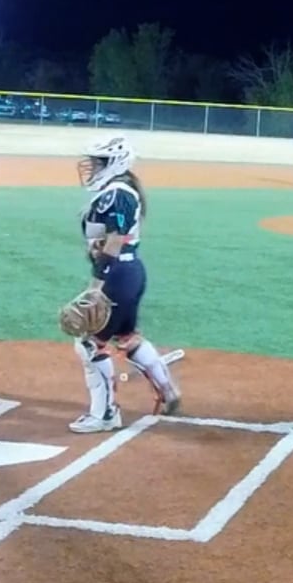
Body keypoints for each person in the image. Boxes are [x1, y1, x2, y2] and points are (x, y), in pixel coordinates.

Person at [56, 134, 181, 430]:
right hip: (130, 272)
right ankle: (168, 390)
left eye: (98, 162)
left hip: (118, 274)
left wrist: (96, 286)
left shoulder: (118, 193)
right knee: (127, 337)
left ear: (115, 162)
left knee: (89, 345)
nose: (92, 167)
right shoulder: (121, 190)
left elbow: (114, 240)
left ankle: (105, 415)